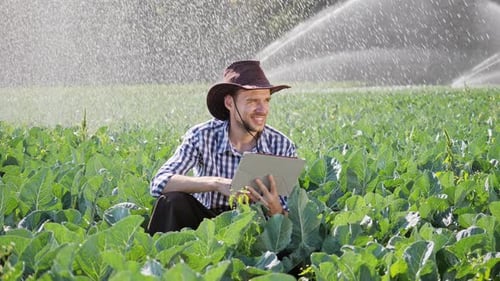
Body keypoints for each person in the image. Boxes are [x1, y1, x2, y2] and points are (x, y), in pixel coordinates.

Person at [147, 60, 297, 234]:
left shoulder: (281, 145)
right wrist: (216, 183)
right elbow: (159, 183)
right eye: (252, 101)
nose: (262, 109)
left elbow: (288, 220)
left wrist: (275, 209)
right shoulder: (202, 135)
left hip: (253, 228)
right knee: (171, 201)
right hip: (205, 226)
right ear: (229, 103)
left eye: (266, 100)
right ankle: (162, 259)